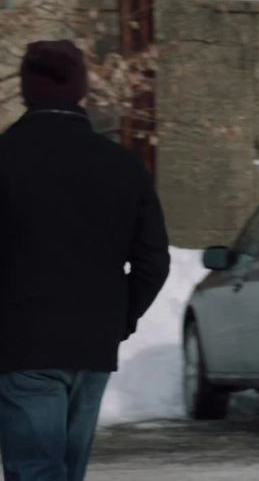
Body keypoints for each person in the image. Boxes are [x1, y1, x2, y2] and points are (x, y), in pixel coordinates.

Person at [0, 40, 170, 481]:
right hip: (93, 345)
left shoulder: (6, 158)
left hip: (22, 344)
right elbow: (153, 261)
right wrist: (120, 318)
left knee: (36, 470)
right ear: (80, 91)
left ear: (26, 90)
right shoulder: (123, 166)